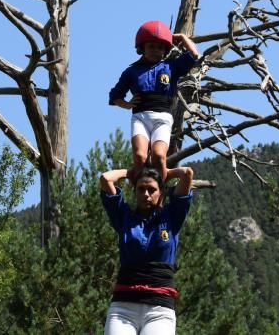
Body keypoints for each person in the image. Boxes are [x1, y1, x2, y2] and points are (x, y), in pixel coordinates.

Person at [100, 164, 193, 334]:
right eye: (141, 189)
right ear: (134, 191)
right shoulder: (124, 217)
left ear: (161, 192)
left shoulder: (172, 217)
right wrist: (130, 173)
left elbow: (187, 174)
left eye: (152, 189)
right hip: (123, 309)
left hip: (159, 310)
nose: (146, 194)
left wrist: (167, 173)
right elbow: (106, 179)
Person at [109, 21, 201, 181]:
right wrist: (128, 105)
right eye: (151, 46)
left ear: (165, 50)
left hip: (163, 118)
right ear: (142, 48)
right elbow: (115, 96)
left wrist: (182, 37)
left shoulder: (171, 67)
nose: (156, 50)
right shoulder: (131, 71)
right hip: (140, 118)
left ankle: (159, 193)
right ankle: (139, 190)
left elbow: (194, 55)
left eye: (160, 47)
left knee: (159, 156)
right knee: (139, 156)